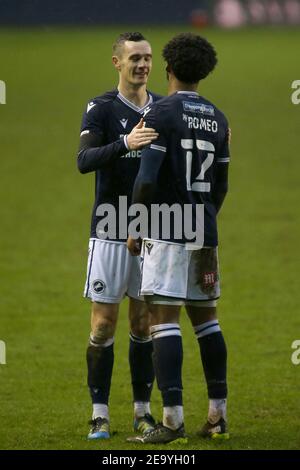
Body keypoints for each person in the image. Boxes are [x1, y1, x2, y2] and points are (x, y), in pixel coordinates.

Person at [127, 33, 230, 444]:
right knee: (207, 320)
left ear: (167, 68)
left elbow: (146, 179)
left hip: (167, 231)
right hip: (204, 229)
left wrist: (136, 224)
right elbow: (221, 186)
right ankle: (217, 418)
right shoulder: (219, 118)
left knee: (163, 319)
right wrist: (203, 217)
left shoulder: (160, 113)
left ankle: (171, 422)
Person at [77, 32, 161, 439]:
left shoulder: (164, 108)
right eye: (135, 59)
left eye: (147, 58)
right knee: (103, 325)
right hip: (109, 227)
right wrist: (125, 143)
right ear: (117, 63)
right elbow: (84, 160)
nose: (143, 65)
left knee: (143, 323)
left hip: (150, 230)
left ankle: (142, 413)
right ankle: (99, 413)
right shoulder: (101, 108)